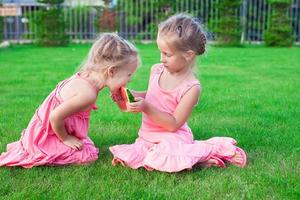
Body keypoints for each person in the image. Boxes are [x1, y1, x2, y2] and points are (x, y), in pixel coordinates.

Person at [110, 14, 247, 173]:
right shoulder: (156, 70)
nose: (162, 59)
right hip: (148, 136)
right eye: (160, 52)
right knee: (143, 154)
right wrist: (130, 95)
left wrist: (146, 107)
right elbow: (153, 95)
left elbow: (173, 124)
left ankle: (212, 149)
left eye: (167, 54)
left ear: (188, 55)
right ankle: (197, 160)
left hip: (172, 137)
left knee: (168, 154)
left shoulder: (191, 87)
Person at [0, 33, 139, 168]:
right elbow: (55, 116)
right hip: (48, 134)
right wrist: (65, 138)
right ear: (111, 71)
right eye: (129, 75)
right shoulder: (87, 93)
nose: (130, 79)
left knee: (86, 146)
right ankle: (48, 147)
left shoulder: (88, 76)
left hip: (52, 128)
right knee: (87, 156)